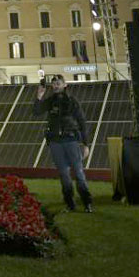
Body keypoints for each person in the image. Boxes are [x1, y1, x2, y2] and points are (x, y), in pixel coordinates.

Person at [32, 74, 93, 212]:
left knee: (78, 173)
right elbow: (36, 112)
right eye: (54, 84)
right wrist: (39, 96)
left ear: (65, 85)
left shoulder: (72, 101)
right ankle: (70, 204)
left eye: (58, 83)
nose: (56, 86)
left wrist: (86, 144)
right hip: (55, 143)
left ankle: (87, 203)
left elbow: (82, 122)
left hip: (71, 140)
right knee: (64, 175)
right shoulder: (50, 101)